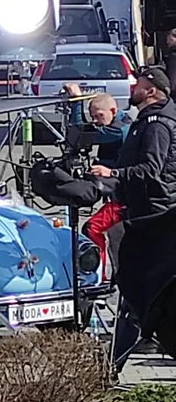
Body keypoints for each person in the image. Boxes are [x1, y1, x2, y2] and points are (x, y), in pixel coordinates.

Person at [89, 67, 176, 370]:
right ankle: (119, 359)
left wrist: (113, 173)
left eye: (138, 83)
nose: (132, 86)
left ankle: (112, 366)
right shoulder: (149, 120)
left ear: (151, 91)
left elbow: (152, 170)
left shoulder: (157, 125)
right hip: (147, 215)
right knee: (140, 292)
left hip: (154, 218)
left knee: (136, 290)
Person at [64, 84, 132, 278]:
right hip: (119, 194)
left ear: (113, 110)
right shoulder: (120, 123)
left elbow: (79, 132)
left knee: (92, 228)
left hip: (123, 198)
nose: (96, 121)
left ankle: (97, 276)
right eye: (93, 116)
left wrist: (77, 101)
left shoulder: (118, 131)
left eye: (99, 116)